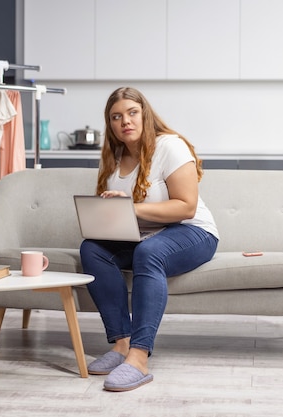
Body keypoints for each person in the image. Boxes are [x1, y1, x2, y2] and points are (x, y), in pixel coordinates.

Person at [81, 87, 219, 392]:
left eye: (132, 112)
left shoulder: (170, 146)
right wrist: (111, 210)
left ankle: (139, 357)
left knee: (149, 252)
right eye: (116, 117)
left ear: (145, 114)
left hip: (193, 231)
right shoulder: (114, 157)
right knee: (92, 249)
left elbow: (186, 206)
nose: (124, 121)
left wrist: (130, 207)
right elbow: (125, 214)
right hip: (143, 234)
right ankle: (121, 344)